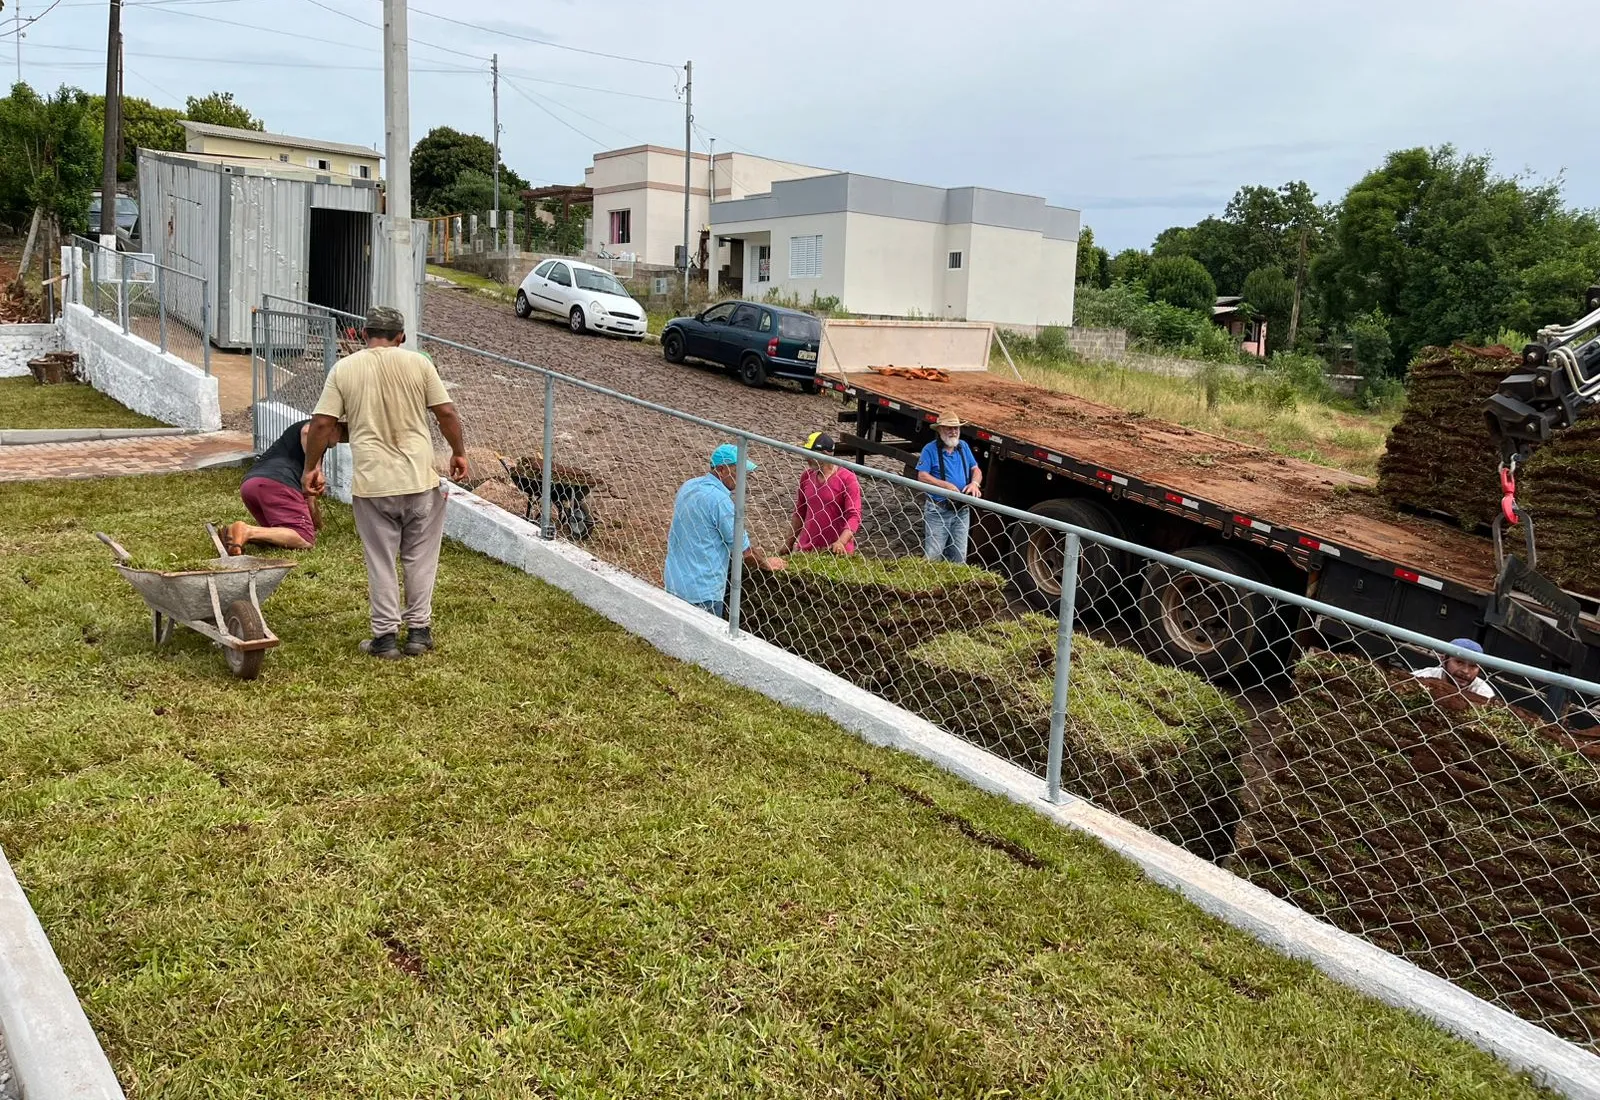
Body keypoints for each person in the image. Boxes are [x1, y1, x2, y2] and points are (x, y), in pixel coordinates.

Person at [303, 306, 469, 660]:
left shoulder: (344, 368)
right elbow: (446, 413)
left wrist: (311, 467)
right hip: (419, 481)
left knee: (380, 560)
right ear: (401, 337)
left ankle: (385, 638)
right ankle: (418, 633)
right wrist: (458, 452)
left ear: (365, 335)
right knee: (420, 559)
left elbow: (322, 424)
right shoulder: (419, 364)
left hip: (373, 485)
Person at [664, 443, 786, 617]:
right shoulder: (720, 501)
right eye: (738, 471)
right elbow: (744, 552)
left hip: (674, 582)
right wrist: (767, 564)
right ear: (721, 470)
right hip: (703, 592)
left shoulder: (689, 486)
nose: (743, 478)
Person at [222, 419, 324, 554]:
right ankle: (247, 531)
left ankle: (233, 536)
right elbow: (307, 431)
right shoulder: (317, 433)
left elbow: (309, 496)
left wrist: (317, 525)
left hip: (250, 484)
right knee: (303, 537)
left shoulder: (292, 438)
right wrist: (316, 469)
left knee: (279, 535)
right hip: (275, 485)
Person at [915, 412, 982, 564]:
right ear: (940, 430)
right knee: (934, 555)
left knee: (959, 556)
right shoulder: (930, 449)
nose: (953, 432)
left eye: (956, 428)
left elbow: (976, 469)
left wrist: (974, 484)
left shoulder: (963, 447)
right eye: (949, 428)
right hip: (938, 509)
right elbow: (922, 476)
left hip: (962, 510)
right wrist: (945, 486)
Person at [782, 432, 861, 555]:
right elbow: (800, 511)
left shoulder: (847, 479)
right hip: (807, 550)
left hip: (834, 551)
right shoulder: (807, 476)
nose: (806, 458)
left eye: (810, 454)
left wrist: (841, 542)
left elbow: (854, 516)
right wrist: (789, 543)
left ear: (825, 454)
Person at [1413, 638, 1497, 702]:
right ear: (1444, 660)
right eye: (1459, 662)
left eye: (1473, 666)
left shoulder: (1484, 694)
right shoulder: (1423, 676)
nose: (1465, 671)